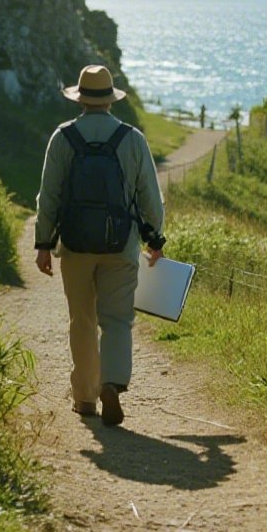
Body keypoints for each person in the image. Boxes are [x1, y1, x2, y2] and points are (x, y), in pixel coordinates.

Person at [34, 64, 166, 427]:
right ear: (111, 99)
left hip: (74, 247)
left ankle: (85, 398)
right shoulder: (132, 139)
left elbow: (49, 197)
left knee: (82, 319)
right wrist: (155, 238)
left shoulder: (63, 137)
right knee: (117, 319)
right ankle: (112, 383)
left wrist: (44, 243)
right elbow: (150, 198)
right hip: (120, 245)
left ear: (80, 98)